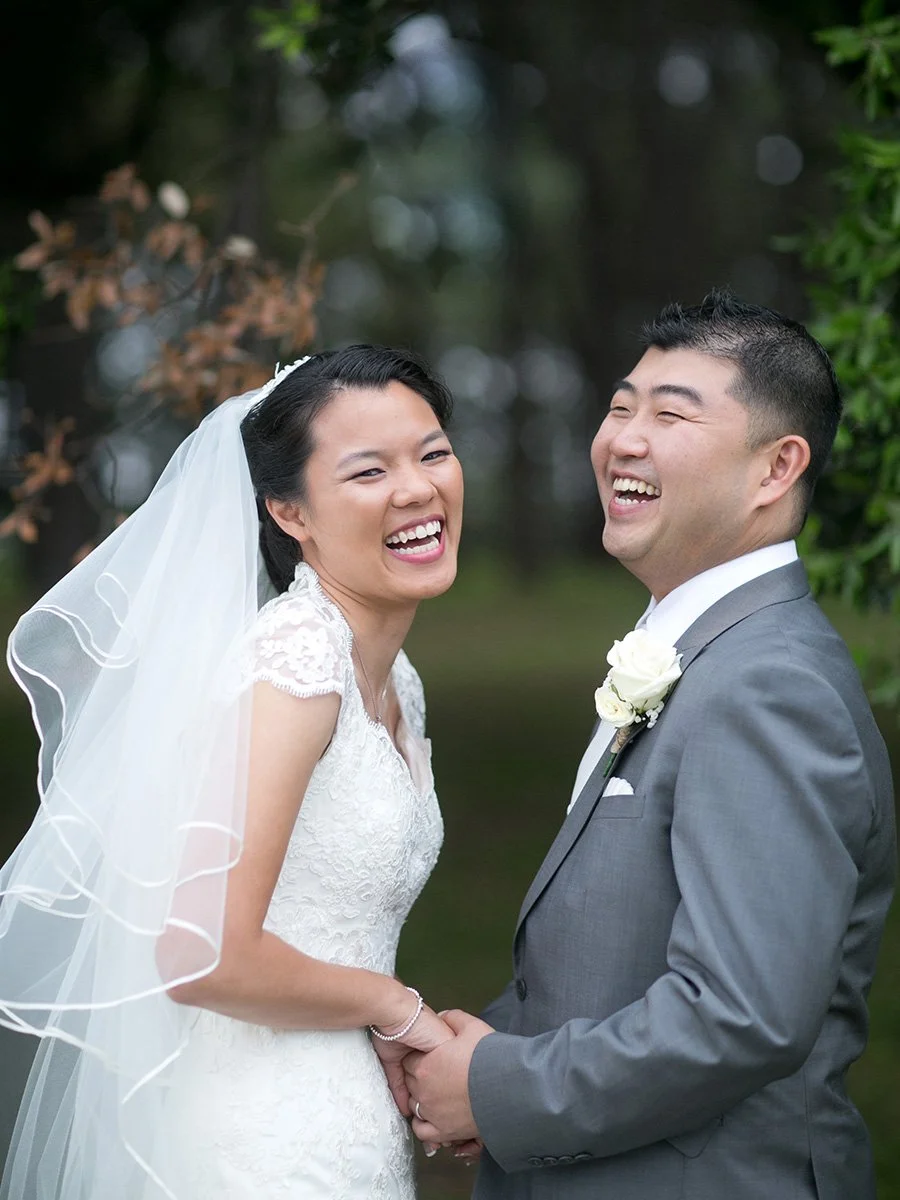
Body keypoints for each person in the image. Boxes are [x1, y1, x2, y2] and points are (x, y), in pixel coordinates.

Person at [401, 291, 896, 1200]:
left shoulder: (766, 685)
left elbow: (739, 1016)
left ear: (775, 468)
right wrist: (486, 1050)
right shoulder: (698, 652)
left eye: (671, 413)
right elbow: (611, 953)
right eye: (622, 405)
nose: (623, 437)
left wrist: (499, 1088)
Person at [0, 346, 464, 1199]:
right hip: (258, 1142)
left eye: (432, 453)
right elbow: (204, 952)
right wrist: (398, 1008)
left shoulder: (396, 679)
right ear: (291, 511)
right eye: (369, 471)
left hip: (343, 1114)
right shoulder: (294, 664)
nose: (417, 489)